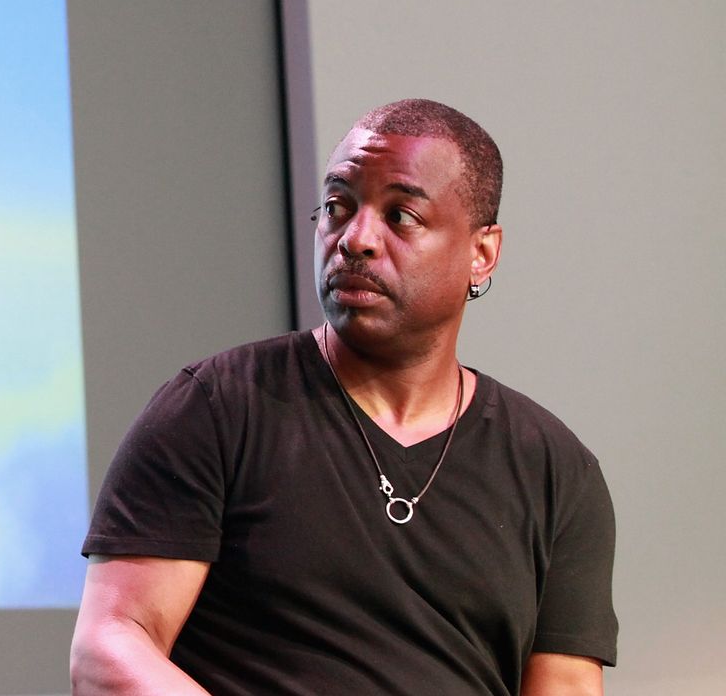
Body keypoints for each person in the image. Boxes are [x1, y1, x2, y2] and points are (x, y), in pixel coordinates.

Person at [69, 99, 616, 695]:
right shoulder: (216, 409)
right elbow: (111, 648)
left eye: (400, 216)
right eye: (337, 207)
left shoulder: (556, 470)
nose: (355, 238)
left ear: (481, 253)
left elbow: (565, 686)